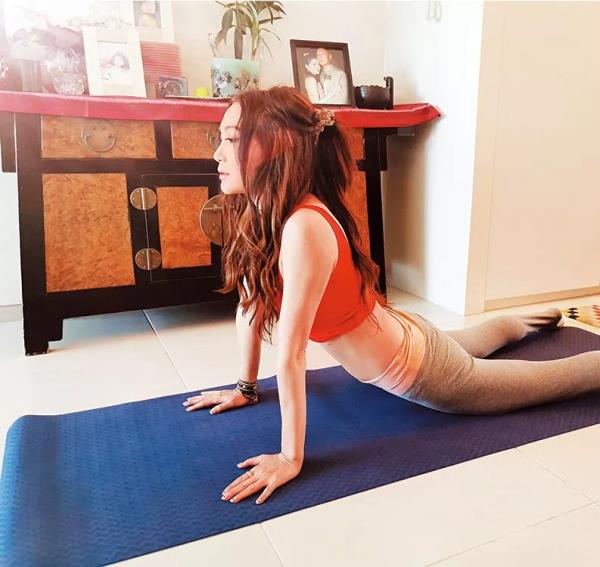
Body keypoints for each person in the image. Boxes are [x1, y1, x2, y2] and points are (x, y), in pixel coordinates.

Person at [182, 86, 600, 506]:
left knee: (555, 380)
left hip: (429, 373)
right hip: (408, 334)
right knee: (478, 339)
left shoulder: (303, 227)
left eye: (232, 139)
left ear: (280, 144)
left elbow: (292, 355)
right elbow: (250, 306)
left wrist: (290, 457)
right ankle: (535, 319)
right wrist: (245, 388)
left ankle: (543, 330)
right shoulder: (259, 214)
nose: (217, 153)